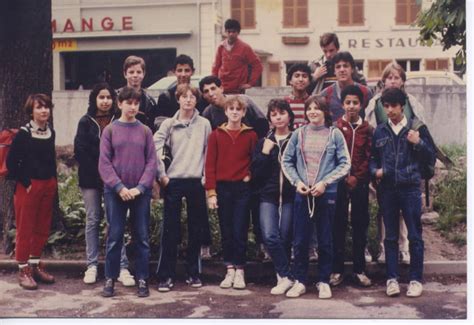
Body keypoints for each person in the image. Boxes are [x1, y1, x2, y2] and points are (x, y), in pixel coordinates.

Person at [281, 96, 351, 299]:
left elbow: (344, 163)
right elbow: (287, 161)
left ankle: (323, 281)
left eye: (317, 108)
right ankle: (300, 280)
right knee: (300, 239)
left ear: (325, 112)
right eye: (309, 108)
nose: (312, 112)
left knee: (325, 239)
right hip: (302, 194)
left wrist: (325, 183)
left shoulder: (334, 134)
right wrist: (297, 183)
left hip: (326, 194)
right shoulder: (299, 134)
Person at [370, 87, 435, 297]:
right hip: (387, 189)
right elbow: (372, 158)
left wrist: (419, 143)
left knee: (415, 236)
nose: (389, 110)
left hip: (410, 189)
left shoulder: (416, 129)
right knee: (390, 237)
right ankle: (392, 279)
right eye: (386, 106)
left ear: (402, 106)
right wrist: (375, 171)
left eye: (393, 106)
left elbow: (431, 158)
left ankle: (415, 280)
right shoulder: (379, 131)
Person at [200, 75, 269, 259]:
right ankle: (230, 258)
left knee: (250, 213)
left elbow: (263, 125)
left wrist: (257, 161)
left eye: (213, 88)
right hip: (227, 176)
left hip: (252, 164)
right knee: (229, 221)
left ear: (221, 87)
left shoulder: (243, 101)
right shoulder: (209, 113)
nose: (211, 93)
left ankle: (261, 248)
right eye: (206, 91)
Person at [365, 62, 426, 265]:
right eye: (389, 77)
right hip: (385, 161)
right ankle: (384, 248)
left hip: (408, 163)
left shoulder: (412, 102)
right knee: (386, 209)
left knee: (407, 210)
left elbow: (421, 129)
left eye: (397, 77)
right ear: (383, 81)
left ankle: (405, 248)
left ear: (403, 81)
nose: (393, 80)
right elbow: (371, 130)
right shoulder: (375, 102)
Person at [73, 83, 135, 286]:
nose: (105, 101)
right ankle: (91, 265)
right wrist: (100, 171)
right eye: (101, 97)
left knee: (114, 221)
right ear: (94, 99)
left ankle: (121, 266)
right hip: (91, 179)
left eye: (109, 97)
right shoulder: (85, 121)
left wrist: (111, 175)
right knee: (92, 220)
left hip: (114, 180)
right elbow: (80, 151)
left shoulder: (120, 120)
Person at [98, 86, 157, 298]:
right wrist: (119, 187)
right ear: (120, 104)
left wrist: (140, 188)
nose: (133, 107)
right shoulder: (110, 130)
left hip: (140, 193)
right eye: (128, 103)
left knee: (141, 236)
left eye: (136, 103)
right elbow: (104, 163)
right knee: (114, 237)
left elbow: (152, 162)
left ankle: (142, 278)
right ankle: (110, 279)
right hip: (116, 192)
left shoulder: (145, 131)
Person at [154, 84, 211, 292]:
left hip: (195, 180)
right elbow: (155, 147)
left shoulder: (204, 124)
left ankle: (193, 272)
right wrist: (162, 175)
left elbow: (208, 151)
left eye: (192, 97)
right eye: (184, 96)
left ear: (197, 100)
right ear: (178, 99)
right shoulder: (168, 124)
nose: (188, 100)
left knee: (196, 228)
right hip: (174, 181)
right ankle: (165, 275)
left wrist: (205, 176)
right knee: (170, 229)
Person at [205, 96, 257, 290]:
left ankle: (240, 269)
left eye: (238, 109)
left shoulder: (250, 135)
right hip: (223, 188)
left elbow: (255, 160)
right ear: (225, 112)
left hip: (242, 189)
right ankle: (229, 269)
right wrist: (211, 192)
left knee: (240, 228)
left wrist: (249, 175)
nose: (235, 112)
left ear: (243, 113)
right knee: (226, 229)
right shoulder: (216, 134)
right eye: (231, 109)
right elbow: (210, 165)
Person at [6, 94, 57, 290]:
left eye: (46, 107)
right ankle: (23, 268)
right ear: (31, 111)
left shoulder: (50, 131)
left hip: (47, 185)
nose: (43, 111)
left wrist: (53, 181)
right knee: (25, 228)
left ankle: (35, 265)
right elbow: (11, 163)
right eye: (39, 107)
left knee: (42, 227)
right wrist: (26, 181)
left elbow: (50, 158)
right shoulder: (24, 133)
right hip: (28, 187)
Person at [251, 99, 296, 295]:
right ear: (269, 118)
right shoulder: (264, 141)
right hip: (268, 196)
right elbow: (256, 171)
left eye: (282, 113)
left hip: (290, 196)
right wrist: (264, 152)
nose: (278, 117)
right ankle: (286, 276)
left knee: (285, 237)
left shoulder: (296, 139)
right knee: (270, 235)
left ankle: (282, 278)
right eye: (274, 114)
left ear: (289, 116)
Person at [330, 85, 373, 288]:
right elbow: (333, 155)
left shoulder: (367, 129)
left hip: (360, 184)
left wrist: (357, 176)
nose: (351, 106)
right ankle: (336, 269)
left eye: (355, 103)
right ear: (342, 104)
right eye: (348, 102)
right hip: (339, 183)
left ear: (362, 104)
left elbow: (369, 156)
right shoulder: (335, 127)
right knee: (337, 224)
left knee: (359, 223)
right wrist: (343, 175)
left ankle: (359, 269)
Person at [212, 19, 263, 94]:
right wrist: (214, 83)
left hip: (238, 90)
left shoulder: (245, 47)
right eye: (229, 31)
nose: (231, 34)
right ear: (225, 32)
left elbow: (258, 66)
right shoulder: (221, 47)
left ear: (238, 32)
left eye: (234, 32)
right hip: (222, 88)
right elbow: (216, 66)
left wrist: (250, 83)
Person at [318, 51, 372, 122]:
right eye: (338, 67)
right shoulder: (326, 94)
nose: (342, 70)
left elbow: (372, 120)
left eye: (345, 66)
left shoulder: (365, 92)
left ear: (352, 69)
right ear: (334, 71)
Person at [117, 55, 157, 132]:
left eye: (139, 72)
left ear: (144, 74)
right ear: (125, 74)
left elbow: (152, 129)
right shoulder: (116, 97)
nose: (135, 75)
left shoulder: (150, 102)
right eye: (131, 72)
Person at [284, 63, 312, 128]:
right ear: (290, 81)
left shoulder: (314, 102)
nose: (301, 79)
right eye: (297, 76)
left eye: (304, 76)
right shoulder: (284, 103)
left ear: (309, 81)